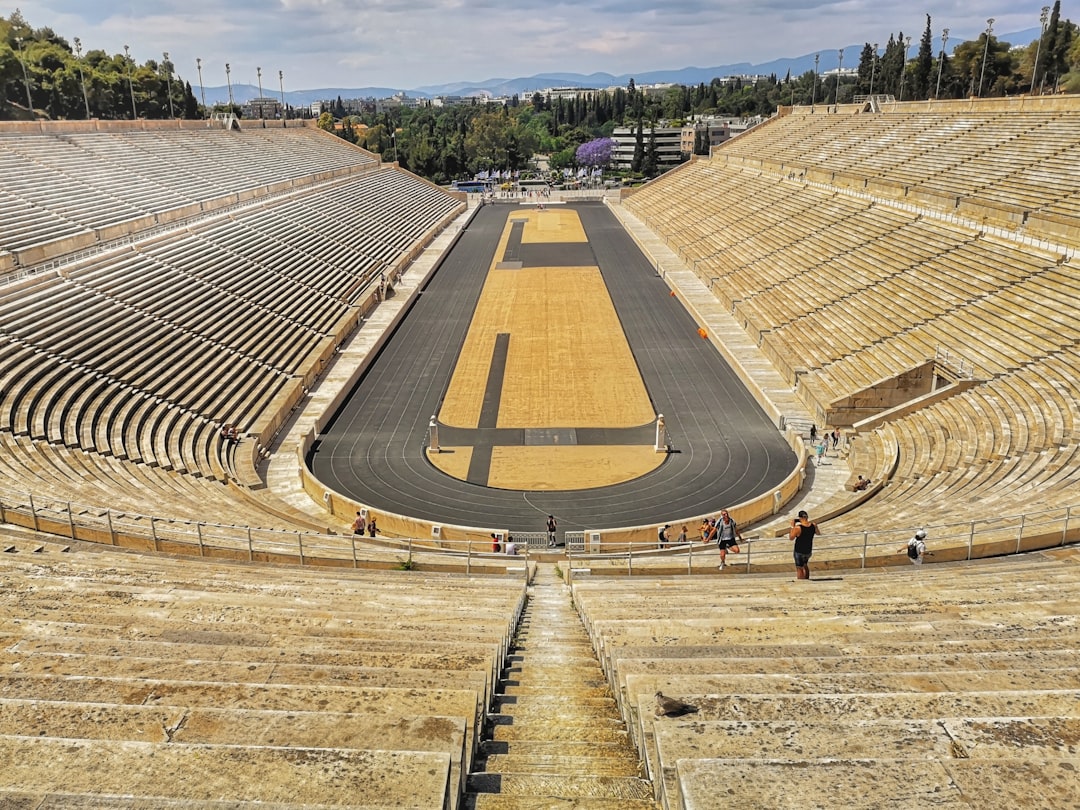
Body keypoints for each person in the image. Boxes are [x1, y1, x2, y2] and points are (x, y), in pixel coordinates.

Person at [789, 510, 819, 580]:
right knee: (805, 565)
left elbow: (791, 538)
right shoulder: (813, 525)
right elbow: (818, 533)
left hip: (799, 551)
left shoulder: (798, 528)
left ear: (800, 518)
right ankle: (806, 579)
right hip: (808, 550)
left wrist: (792, 527)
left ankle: (801, 582)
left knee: (799, 568)